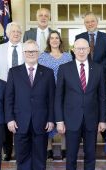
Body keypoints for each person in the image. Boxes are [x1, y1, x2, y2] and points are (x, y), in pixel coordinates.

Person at [55, 38, 106, 170]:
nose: (82, 51)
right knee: (71, 156)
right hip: (71, 120)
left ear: (89, 50)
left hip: (92, 119)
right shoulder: (64, 68)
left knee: (90, 155)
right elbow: (59, 97)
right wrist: (59, 120)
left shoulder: (98, 69)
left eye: (84, 48)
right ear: (73, 50)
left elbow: (102, 97)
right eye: (78, 48)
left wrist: (102, 119)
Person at [5, 40, 55, 170]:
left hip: (41, 122)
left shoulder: (47, 73)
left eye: (34, 51)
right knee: (22, 157)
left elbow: (51, 99)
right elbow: (9, 98)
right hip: (20, 122)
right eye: (28, 52)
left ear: (38, 53)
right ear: (23, 53)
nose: (31, 54)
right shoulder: (14, 72)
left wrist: (51, 119)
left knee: (40, 156)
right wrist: (10, 119)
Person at [75, 11, 106, 142]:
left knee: (101, 102)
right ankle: (81, 131)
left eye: (92, 21)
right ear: (84, 24)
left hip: (101, 76)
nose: (90, 24)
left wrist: (96, 69)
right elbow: (78, 55)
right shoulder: (79, 37)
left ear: (97, 22)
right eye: (87, 22)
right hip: (82, 77)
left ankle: (104, 132)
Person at [38, 30, 72, 160]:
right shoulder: (42, 56)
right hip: (47, 92)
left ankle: (64, 148)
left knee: (64, 119)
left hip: (64, 92)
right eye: (51, 38)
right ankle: (49, 149)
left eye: (56, 38)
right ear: (48, 41)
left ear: (60, 40)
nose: (54, 40)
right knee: (49, 119)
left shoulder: (67, 56)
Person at [0, 21, 24, 161]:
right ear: (7, 33)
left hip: (23, 89)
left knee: (22, 119)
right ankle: (7, 150)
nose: (16, 33)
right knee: (6, 119)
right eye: (13, 31)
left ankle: (20, 150)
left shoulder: (26, 48)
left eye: (18, 31)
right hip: (4, 88)